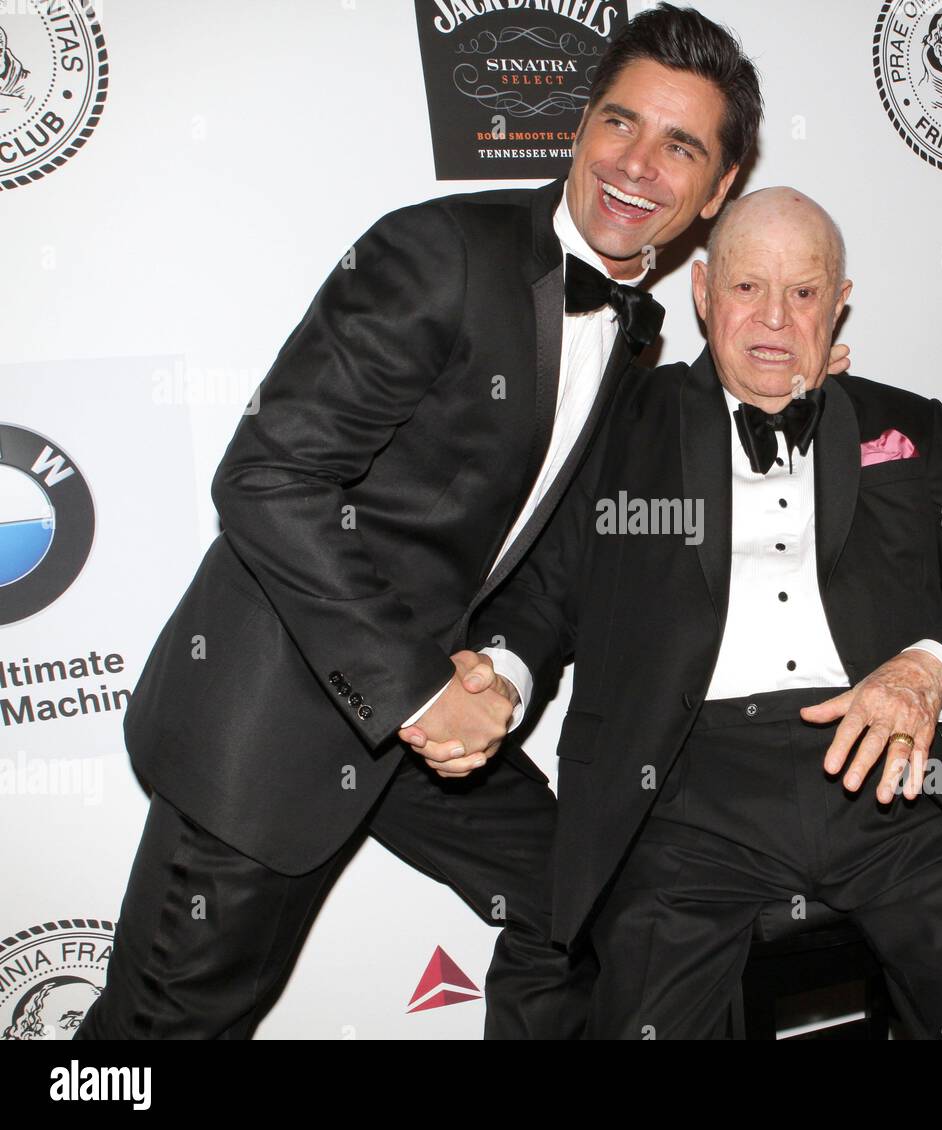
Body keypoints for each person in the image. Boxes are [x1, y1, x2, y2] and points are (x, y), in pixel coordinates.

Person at [78, 4, 804, 1040]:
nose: (636, 163)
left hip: (436, 722)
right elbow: (268, 477)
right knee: (164, 1030)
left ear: (717, 188)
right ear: (580, 124)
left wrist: (502, 675)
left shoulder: (631, 338)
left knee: (589, 909)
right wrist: (421, 692)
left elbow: (544, 555)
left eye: (680, 145)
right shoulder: (441, 252)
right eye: (618, 122)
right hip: (278, 709)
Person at [464, 186, 942, 1039]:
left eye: (805, 292)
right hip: (683, 790)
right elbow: (544, 593)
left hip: (896, 766)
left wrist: (925, 672)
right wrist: (501, 676)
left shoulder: (907, 423)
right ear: (704, 293)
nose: (776, 320)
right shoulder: (622, 425)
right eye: (749, 288)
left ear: (840, 301)